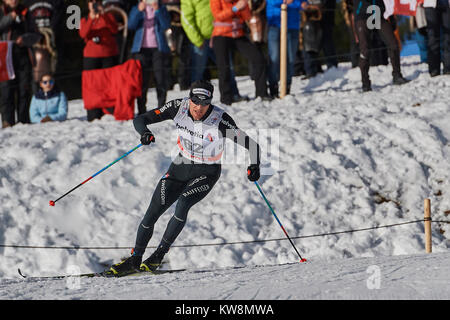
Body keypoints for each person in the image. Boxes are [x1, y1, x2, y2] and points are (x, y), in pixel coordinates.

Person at [107, 80, 261, 276]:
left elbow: (253, 145)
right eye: (195, 102)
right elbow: (140, 119)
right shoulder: (177, 107)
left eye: (204, 104)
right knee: (152, 212)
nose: (198, 108)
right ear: (190, 99)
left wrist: (254, 165)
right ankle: (135, 259)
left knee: (183, 204)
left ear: (210, 103)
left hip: (207, 172)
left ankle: (157, 257)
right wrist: (144, 133)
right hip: (181, 166)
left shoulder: (220, 120)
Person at [180, 0, 243, 102]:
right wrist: (197, 40)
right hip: (201, 39)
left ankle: (234, 94)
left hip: (219, 36)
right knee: (198, 71)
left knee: (227, 67)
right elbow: (186, 20)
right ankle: (194, 100)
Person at [210, 0, 270, 105]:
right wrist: (235, 8)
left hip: (238, 34)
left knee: (258, 58)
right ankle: (226, 98)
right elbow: (218, 15)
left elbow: (246, 17)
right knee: (224, 67)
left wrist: (244, 6)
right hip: (221, 34)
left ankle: (262, 93)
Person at [353, 0, 409, 92]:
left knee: (393, 44)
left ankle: (397, 75)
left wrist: (391, 17)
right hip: (362, 15)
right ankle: (365, 83)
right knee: (365, 50)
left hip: (378, 14)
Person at [128, 0, 171, 114]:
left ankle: (162, 109)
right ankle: (142, 110)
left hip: (159, 48)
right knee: (142, 81)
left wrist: (158, 10)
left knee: (160, 79)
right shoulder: (137, 7)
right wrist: (138, 10)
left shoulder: (161, 7)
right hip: (141, 50)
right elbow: (130, 25)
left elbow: (166, 25)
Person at [79, 0, 119, 121]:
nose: (94, 4)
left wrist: (103, 15)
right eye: (92, 2)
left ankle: (110, 109)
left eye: (97, 2)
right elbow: (82, 34)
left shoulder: (108, 16)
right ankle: (93, 112)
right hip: (91, 56)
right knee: (92, 86)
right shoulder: (84, 19)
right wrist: (92, 18)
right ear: (88, 5)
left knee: (109, 84)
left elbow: (115, 30)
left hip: (108, 54)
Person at [0, 0, 34, 128]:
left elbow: (36, 34)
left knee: (24, 90)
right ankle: (7, 121)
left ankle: (24, 121)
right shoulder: (1, 12)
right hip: (4, 57)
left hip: (23, 56)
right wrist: (9, 18)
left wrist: (25, 39)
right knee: (6, 91)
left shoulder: (26, 12)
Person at [266, 0, 302, 98]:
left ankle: (286, 87)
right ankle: (273, 88)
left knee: (290, 58)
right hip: (275, 25)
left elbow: (302, 3)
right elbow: (272, 2)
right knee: (274, 57)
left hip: (293, 25)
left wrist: (293, 3)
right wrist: (285, 1)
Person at [423, 0, 450, 76]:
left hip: (446, 5)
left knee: (448, 37)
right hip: (430, 5)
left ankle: (448, 67)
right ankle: (434, 69)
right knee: (432, 37)